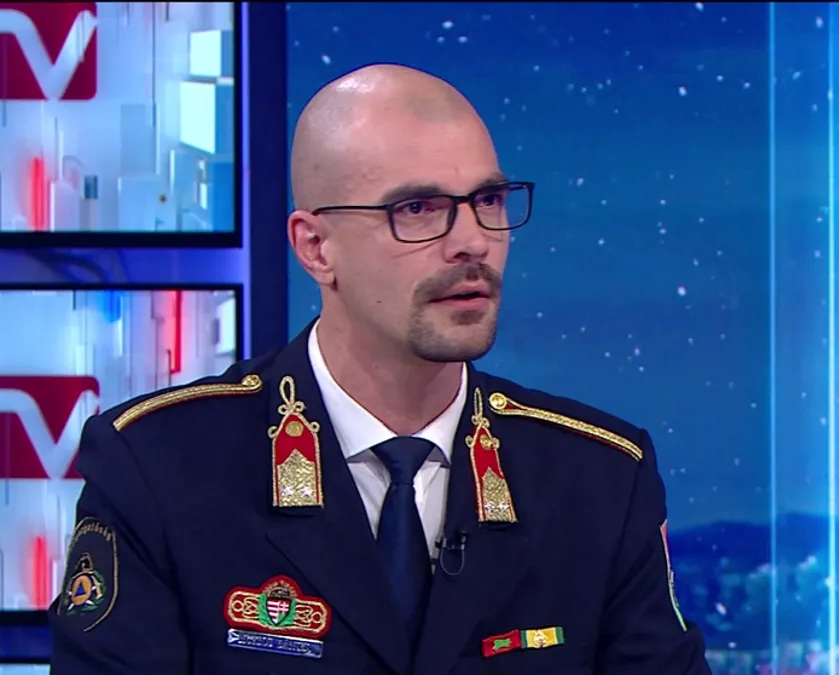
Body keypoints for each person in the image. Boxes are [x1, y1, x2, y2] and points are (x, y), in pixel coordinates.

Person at [49, 63, 711, 674]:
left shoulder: (599, 481)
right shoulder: (160, 466)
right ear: (316, 247)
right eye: (417, 209)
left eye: (488, 200)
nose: (472, 241)